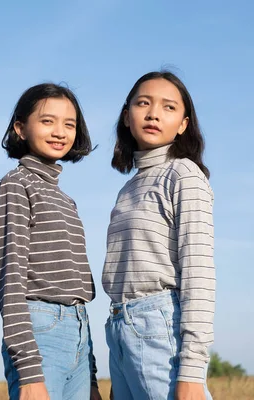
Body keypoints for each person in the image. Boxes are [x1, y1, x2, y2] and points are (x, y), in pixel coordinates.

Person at [102, 71, 215, 400]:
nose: (153, 113)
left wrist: (192, 369)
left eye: (168, 107)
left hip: (159, 330)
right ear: (127, 116)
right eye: (143, 103)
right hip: (121, 329)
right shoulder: (127, 188)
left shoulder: (183, 174)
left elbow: (199, 273)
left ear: (183, 124)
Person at [0, 82, 102, 400]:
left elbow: (75, 293)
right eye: (47, 121)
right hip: (40, 333)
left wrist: (90, 375)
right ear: (20, 128)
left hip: (79, 331)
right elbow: (10, 283)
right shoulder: (15, 185)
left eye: (69, 124)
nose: (59, 132)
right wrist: (28, 371)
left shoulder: (66, 200)